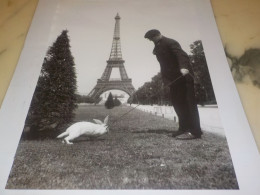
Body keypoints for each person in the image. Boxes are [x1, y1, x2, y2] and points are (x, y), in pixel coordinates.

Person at [144, 29, 202, 140]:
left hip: (183, 77)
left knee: (189, 105)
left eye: (151, 39)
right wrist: (165, 80)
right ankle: (183, 129)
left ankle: (195, 132)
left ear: (157, 35)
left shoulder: (171, 42)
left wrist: (184, 67)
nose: (151, 41)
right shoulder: (158, 46)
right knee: (178, 105)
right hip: (173, 80)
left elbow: (182, 55)